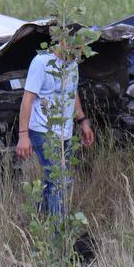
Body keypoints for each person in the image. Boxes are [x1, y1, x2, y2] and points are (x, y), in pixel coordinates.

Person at [15, 42, 96, 216]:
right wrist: (23, 135)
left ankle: (41, 220)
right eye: (78, 47)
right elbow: (27, 100)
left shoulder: (72, 63)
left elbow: (71, 93)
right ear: (64, 41)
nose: (80, 53)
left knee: (53, 180)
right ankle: (59, 234)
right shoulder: (42, 62)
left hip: (65, 132)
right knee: (59, 180)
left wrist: (82, 120)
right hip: (43, 130)